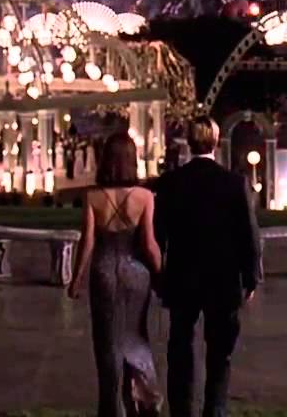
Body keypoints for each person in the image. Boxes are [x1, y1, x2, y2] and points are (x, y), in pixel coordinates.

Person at [153, 116, 260, 417]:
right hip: (223, 278)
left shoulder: (172, 182)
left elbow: (158, 234)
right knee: (220, 353)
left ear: (189, 142)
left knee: (180, 348)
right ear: (215, 141)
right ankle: (215, 409)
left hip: (183, 276)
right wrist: (251, 277)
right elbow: (248, 234)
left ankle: (181, 409)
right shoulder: (234, 183)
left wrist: (159, 276)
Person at [68, 132, 163, 417]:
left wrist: (76, 279)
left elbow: (87, 242)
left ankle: (111, 406)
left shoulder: (93, 197)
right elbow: (149, 244)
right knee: (136, 334)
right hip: (136, 274)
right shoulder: (145, 197)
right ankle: (144, 398)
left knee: (107, 340)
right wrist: (161, 273)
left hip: (104, 272)